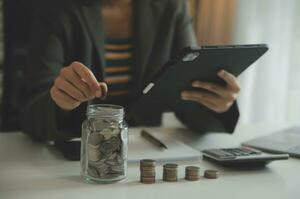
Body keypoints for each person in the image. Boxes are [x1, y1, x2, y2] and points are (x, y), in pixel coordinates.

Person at [21, 0, 240, 142]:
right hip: (77, 156)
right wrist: (60, 103)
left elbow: (188, 92)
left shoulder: (170, 5)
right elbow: (31, 111)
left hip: (146, 155)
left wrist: (218, 104)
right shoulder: (54, 8)